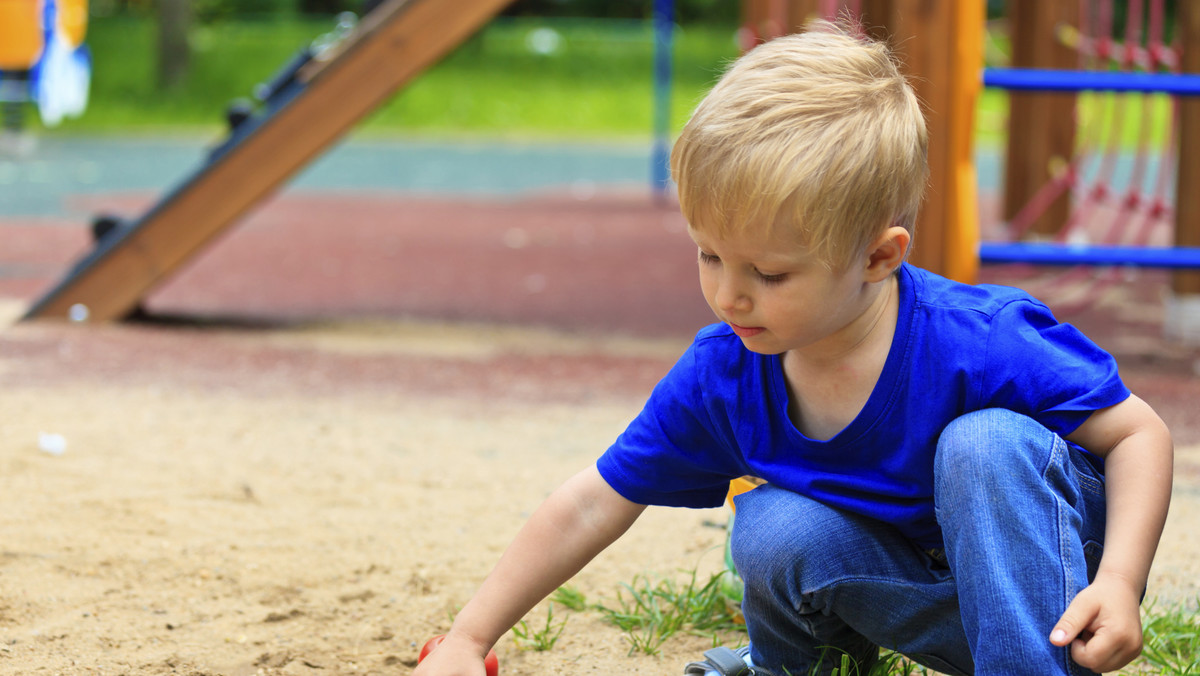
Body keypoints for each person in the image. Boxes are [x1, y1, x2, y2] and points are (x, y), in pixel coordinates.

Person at [412, 20, 1173, 676]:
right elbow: (593, 499)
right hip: (935, 612)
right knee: (774, 526)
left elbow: (1139, 433)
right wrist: (470, 636)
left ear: (880, 257)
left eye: (769, 273)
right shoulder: (727, 370)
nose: (729, 295)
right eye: (709, 255)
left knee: (984, 443)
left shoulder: (979, 338)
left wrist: (1119, 580)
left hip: (1054, 612)